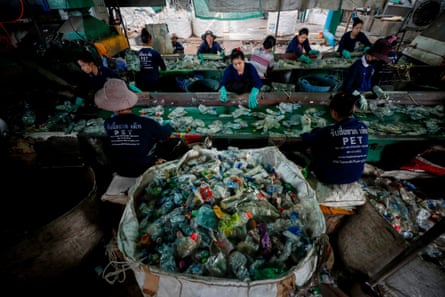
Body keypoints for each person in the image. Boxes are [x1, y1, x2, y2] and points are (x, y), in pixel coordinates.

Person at [95, 78, 186, 177]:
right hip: (144, 166)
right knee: (175, 141)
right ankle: (159, 162)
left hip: (121, 168)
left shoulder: (108, 123)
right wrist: (169, 126)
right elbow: (165, 134)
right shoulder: (146, 123)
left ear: (111, 107)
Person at [301, 92, 368, 184]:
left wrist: (305, 127)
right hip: (355, 176)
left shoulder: (329, 131)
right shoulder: (363, 127)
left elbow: (306, 139)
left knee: (314, 145)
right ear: (353, 108)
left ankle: (311, 168)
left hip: (328, 177)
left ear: (334, 113)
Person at [342, 38, 392, 110]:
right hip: (355, 99)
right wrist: (358, 96)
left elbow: (371, 82)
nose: (378, 60)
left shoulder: (372, 65)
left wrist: (376, 88)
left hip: (367, 96)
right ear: (369, 55)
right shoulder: (356, 67)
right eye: (377, 58)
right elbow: (346, 87)